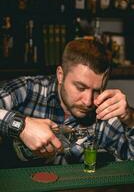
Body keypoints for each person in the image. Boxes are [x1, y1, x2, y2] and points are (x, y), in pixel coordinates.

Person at [0, 39, 134, 168]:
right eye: (80, 88)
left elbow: (130, 162)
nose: (88, 102)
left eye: (97, 91)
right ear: (60, 75)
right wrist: (21, 126)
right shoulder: (28, 89)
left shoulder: (105, 112)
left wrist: (130, 119)